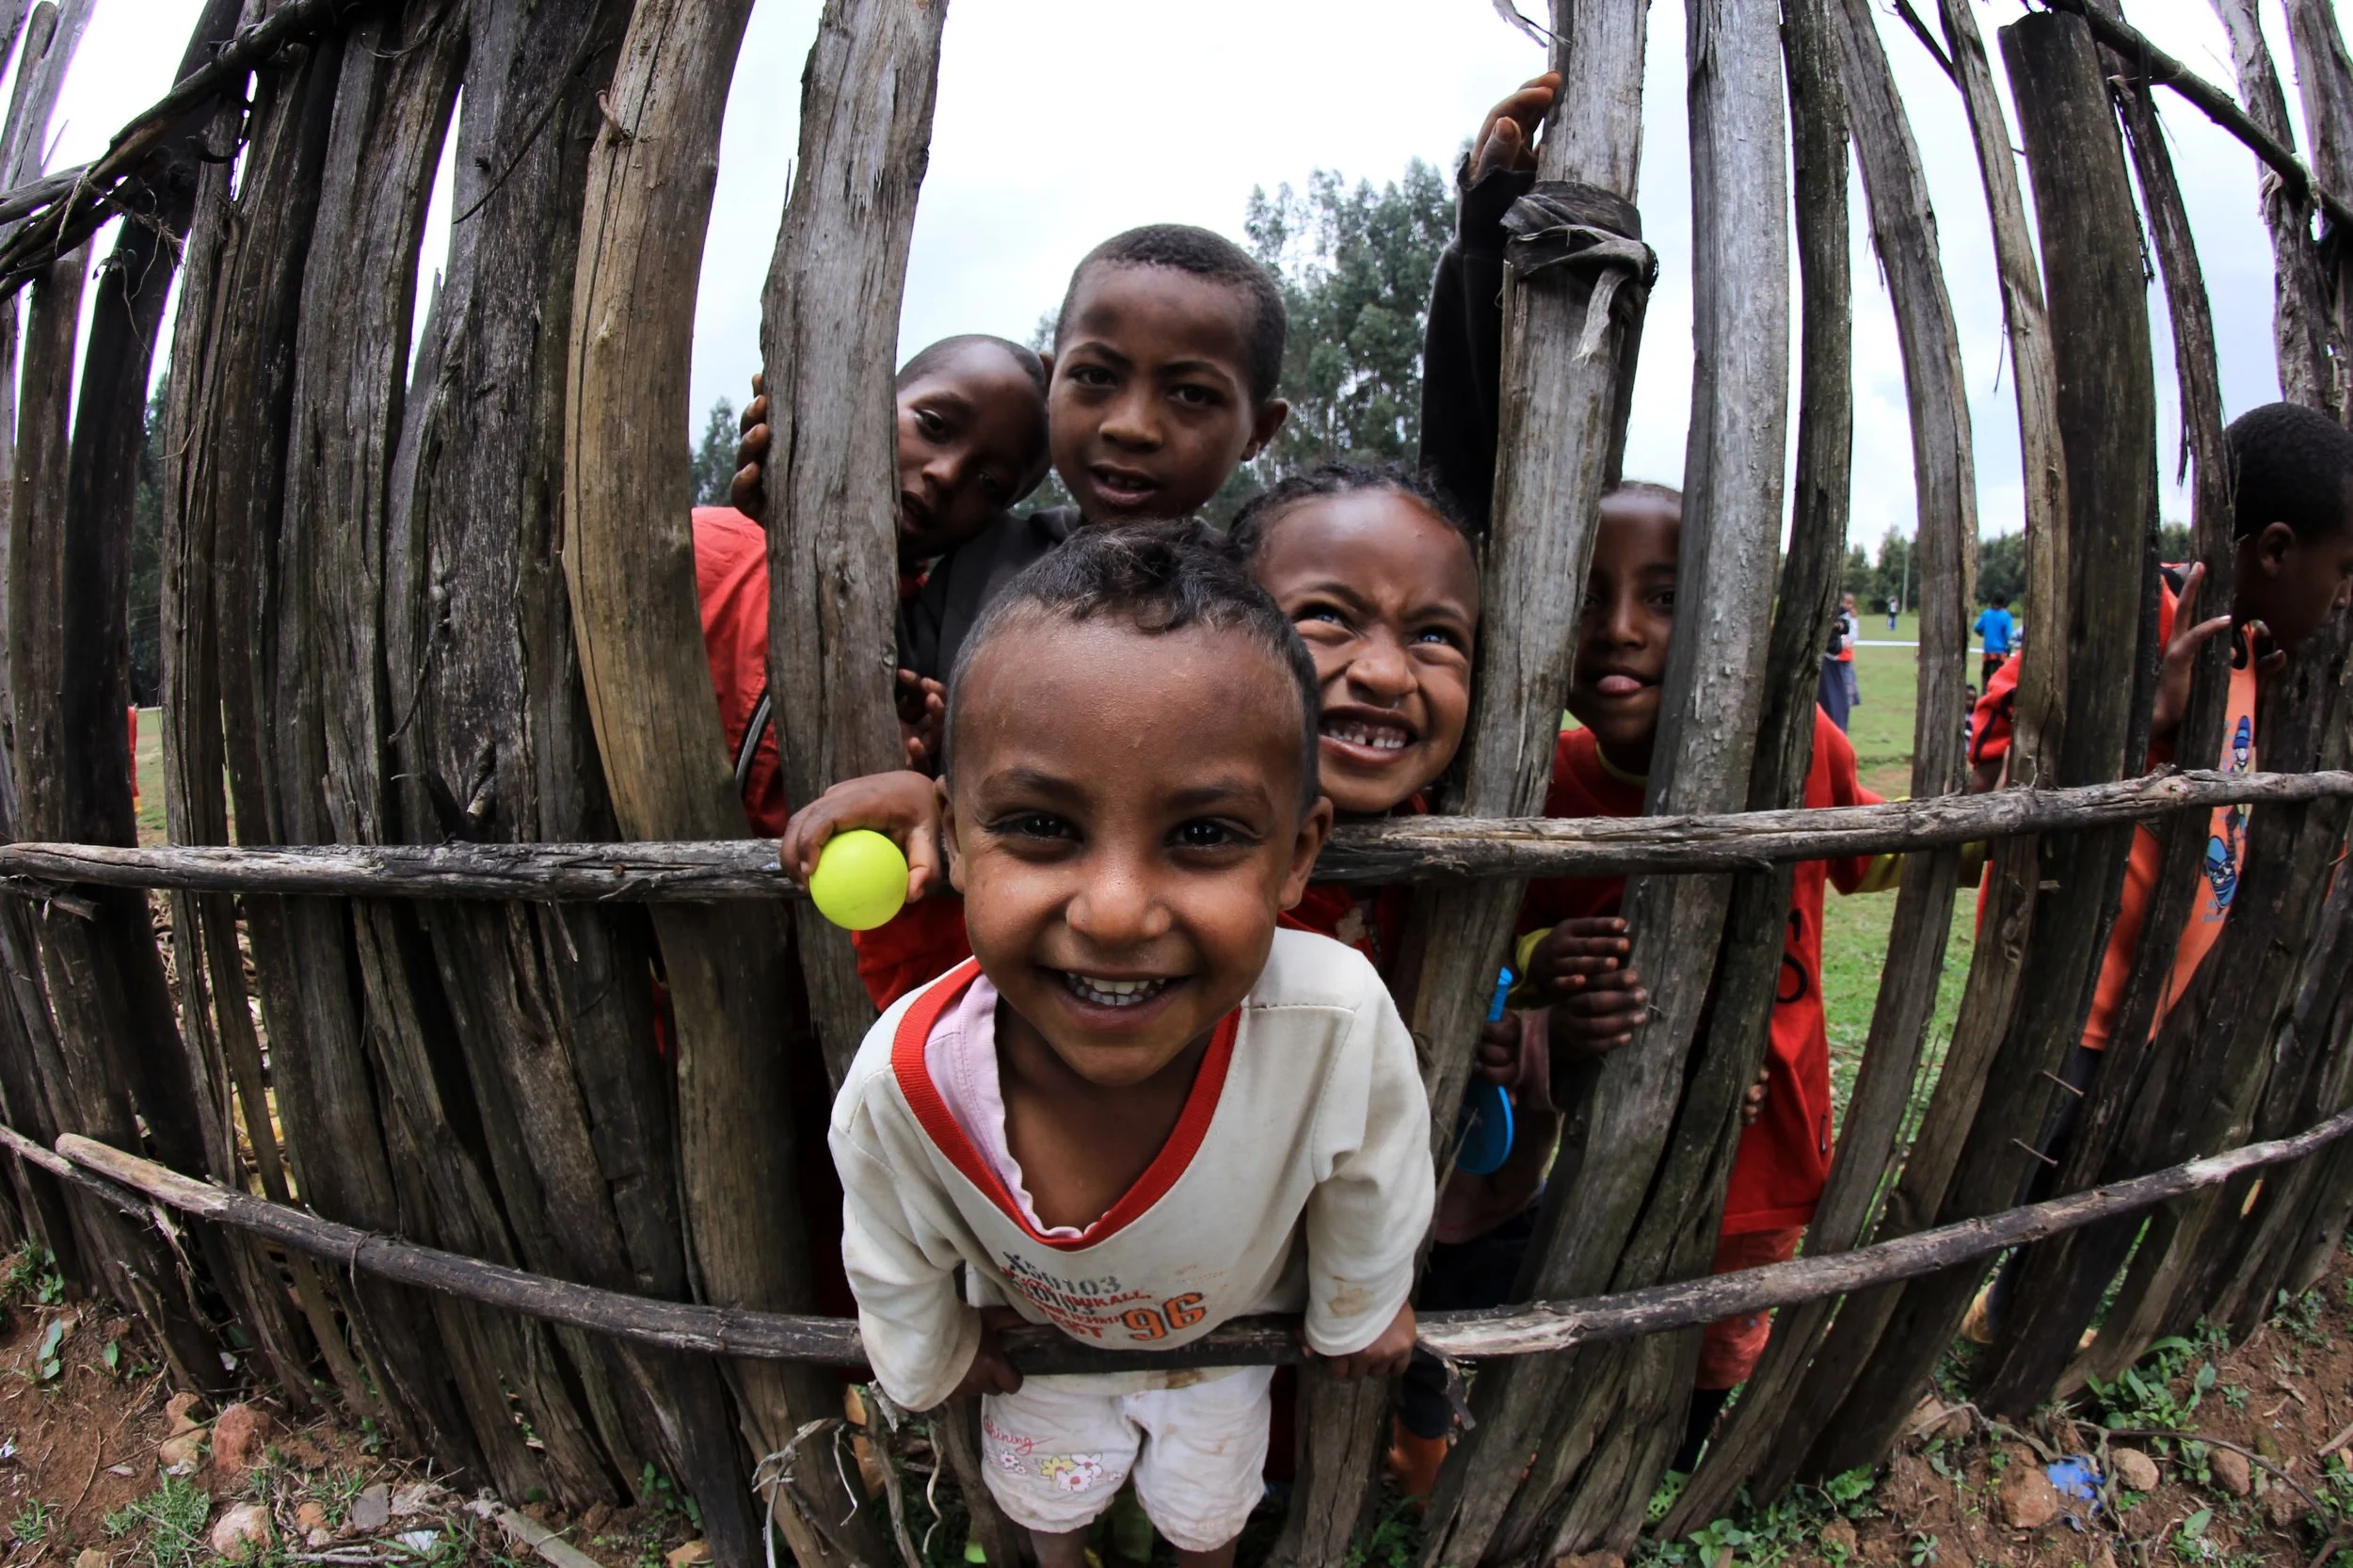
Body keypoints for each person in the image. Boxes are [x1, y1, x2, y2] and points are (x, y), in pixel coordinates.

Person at [830, 521, 1431, 1568]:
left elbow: (1375, 1179)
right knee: (1048, 1506)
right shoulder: (909, 1078)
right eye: (1039, 826)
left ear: (1296, 857)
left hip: (1224, 1354)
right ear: (957, 839)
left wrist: (1356, 1309)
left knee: (1206, 1513)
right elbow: (887, 1239)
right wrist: (928, 1359)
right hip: (1039, 1359)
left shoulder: (1329, 1024)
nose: (1113, 913)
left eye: (1203, 834)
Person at [1223, 461, 1643, 1492]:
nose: (1383, 672)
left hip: (1414, 1246)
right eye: (1326, 618)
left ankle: (1409, 1461)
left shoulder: (1455, 861)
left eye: (1433, 635)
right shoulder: (1174, 859)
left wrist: (1506, 1031)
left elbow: (1470, 1024)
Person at [777, 225, 1296, 1009]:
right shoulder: (976, 563)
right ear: (1051, 382)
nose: (1131, 424)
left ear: (1261, 427)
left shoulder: (1259, 601)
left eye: (1191, 394)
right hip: (948, 1000)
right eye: (1095, 377)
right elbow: (882, 723)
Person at [1511, 483, 1894, 1470]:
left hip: (1764, 1137)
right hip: (1611, 1144)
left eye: (1666, 597)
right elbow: (1504, 939)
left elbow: (1873, 848)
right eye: (1587, 598)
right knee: (1597, 1292)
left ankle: (1689, 1444)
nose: (1620, 630)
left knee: (1725, 1319)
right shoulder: (1543, 785)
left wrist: (2003, 834)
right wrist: (1538, 966)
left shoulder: (1802, 749)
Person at [1962, 401, 2353, 1341]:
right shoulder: (2132, 616)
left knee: (2080, 1188)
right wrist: (2149, 717)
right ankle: (1904, 1345)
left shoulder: (2265, 661)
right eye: (2342, 572)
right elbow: (1990, 759)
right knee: (1990, 1187)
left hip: (2151, 1008)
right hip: (2059, 1003)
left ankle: (2004, 1326)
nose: (2345, 597)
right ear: (2273, 550)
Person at [698, 334, 1053, 834]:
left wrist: (895, 754)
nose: (946, 473)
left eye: (989, 482)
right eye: (933, 425)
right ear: (868, 401)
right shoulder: (703, 548)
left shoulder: (930, 663)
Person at [1817, 592, 1860, 731]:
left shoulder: (1847, 617)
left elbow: (1850, 634)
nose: (1848, 606)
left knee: (1843, 698)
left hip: (1842, 661)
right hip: (1830, 662)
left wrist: (1838, 627)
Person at [1972, 593, 2014, 691]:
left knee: (1985, 677)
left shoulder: (1986, 614)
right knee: (1998, 679)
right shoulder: (2006, 616)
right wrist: (2009, 649)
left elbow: (1977, 628)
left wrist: (1984, 633)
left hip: (1987, 651)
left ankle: (1984, 695)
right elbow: (2009, 636)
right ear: (2003, 603)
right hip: (2000, 652)